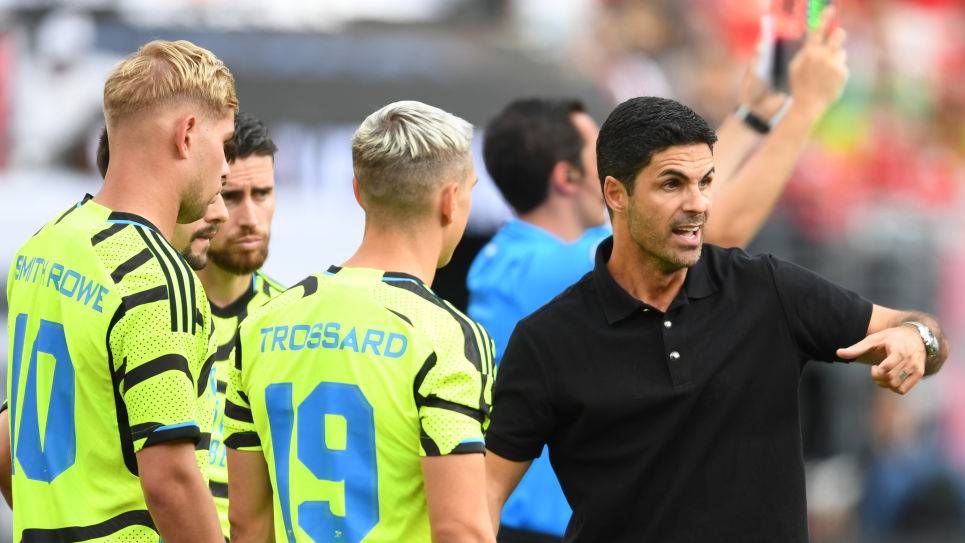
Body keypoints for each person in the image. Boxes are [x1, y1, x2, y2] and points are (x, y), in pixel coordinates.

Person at [483, 95, 949, 542]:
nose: (699, 203)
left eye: (705, 181)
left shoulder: (769, 289)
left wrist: (916, 338)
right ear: (615, 194)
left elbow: (918, 327)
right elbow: (482, 496)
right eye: (672, 184)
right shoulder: (547, 340)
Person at [468, 9, 850, 541]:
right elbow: (716, 229)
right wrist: (806, 108)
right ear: (580, 179)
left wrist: (756, 115)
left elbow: (679, 183)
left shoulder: (511, 257)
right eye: (601, 149)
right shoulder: (556, 265)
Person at [224, 101, 496, 543]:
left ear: (357, 191)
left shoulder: (261, 324)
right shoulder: (449, 337)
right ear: (450, 201)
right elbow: (462, 530)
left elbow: (247, 523)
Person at [4, 40, 235, 542]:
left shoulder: (44, 248)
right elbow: (171, 483)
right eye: (225, 143)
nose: (225, 169)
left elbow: (6, 445)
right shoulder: (154, 273)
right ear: (188, 134)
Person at [195, 112, 285, 538]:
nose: (250, 217)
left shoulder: (292, 319)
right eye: (231, 196)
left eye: (263, 193)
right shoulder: (153, 304)